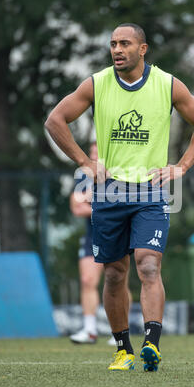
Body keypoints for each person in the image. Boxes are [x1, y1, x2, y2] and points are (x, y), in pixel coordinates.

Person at [45, 23, 194, 372]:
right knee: (114, 274)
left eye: (125, 43)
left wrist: (181, 167)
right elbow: (55, 120)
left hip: (151, 191)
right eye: (112, 44)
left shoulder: (167, 84)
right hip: (108, 193)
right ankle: (123, 349)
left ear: (143, 49)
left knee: (149, 265)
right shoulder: (97, 83)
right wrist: (84, 162)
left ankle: (151, 344)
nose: (117, 49)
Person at [69, 141, 131, 345]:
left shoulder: (121, 173)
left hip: (116, 233)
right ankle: (89, 330)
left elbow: (122, 203)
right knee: (88, 280)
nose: (95, 155)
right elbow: (77, 208)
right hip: (92, 234)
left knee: (118, 280)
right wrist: (103, 202)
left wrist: (91, 200)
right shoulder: (83, 175)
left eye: (98, 151)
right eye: (92, 152)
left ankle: (122, 329)